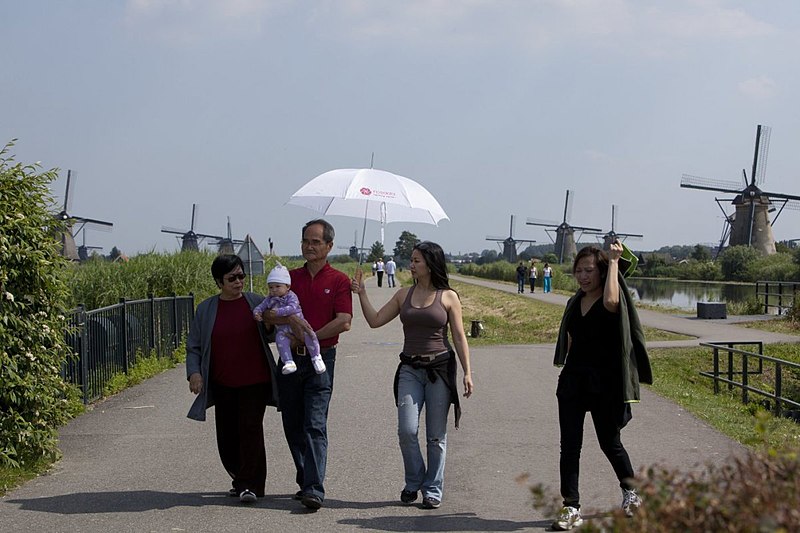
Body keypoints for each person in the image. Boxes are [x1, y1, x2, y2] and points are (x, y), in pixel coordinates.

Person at [351, 241, 474, 510]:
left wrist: (467, 372)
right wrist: (361, 294)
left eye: (417, 260)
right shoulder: (402, 294)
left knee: (435, 436)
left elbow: (459, 335)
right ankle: (414, 480)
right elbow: (375, 320)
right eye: (412, 259)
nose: (412, 264)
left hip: (439, 370)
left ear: (430, 264)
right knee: (407, 430)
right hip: (409, 369)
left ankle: (433, 489)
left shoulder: (448, 296)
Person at [550, 242, 652, 530]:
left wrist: (616, 261)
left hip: (604, 383)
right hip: (573, 382)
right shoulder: (574, 303)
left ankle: (630, 493)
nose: (583, 276)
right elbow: (570, 340)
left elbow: (611, 301)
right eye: (578, 271)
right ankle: (571, 506)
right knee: (569, 446)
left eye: (589, 270)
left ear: (602, 271)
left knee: (610, 443)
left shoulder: (611, 299)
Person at [260, 219, 352, 511]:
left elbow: (344, 320)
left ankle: (314, 488)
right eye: (305, 241)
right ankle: (305, 477)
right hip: (289, 359)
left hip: (321, 359)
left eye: (315, 242)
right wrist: (290, 321)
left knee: (314, 423)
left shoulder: (338, 280)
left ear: (329, 246)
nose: (309, 246)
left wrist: (311, 334)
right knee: (292, 423)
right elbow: (268, 314)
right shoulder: (290, 279)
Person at [186, 254, 280, 504]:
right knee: (227, 436)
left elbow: (273, 332)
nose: (238, 282)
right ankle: (240, 476)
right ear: (219, 281)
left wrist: (270, 324)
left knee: (250, 430)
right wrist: (194, 372)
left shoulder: (255, 302)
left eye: (241, 276)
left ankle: (250, 484)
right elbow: (194, 345)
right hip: (223, 383)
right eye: (232, 278)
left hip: (255, 381)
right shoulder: (206, 309)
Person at [253, 262, 325, 375]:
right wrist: (257, 312)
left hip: (300, 326)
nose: (274, 290)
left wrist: (278, 312)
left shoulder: (291, 296)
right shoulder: (270, 299)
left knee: (310, 335)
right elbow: (262, 306)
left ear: (287, 286)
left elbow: (292, 308)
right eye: (271, 287)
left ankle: (316, 356)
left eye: (278, 286)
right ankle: (288, 361)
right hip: (283, 329)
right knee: (280, 340)